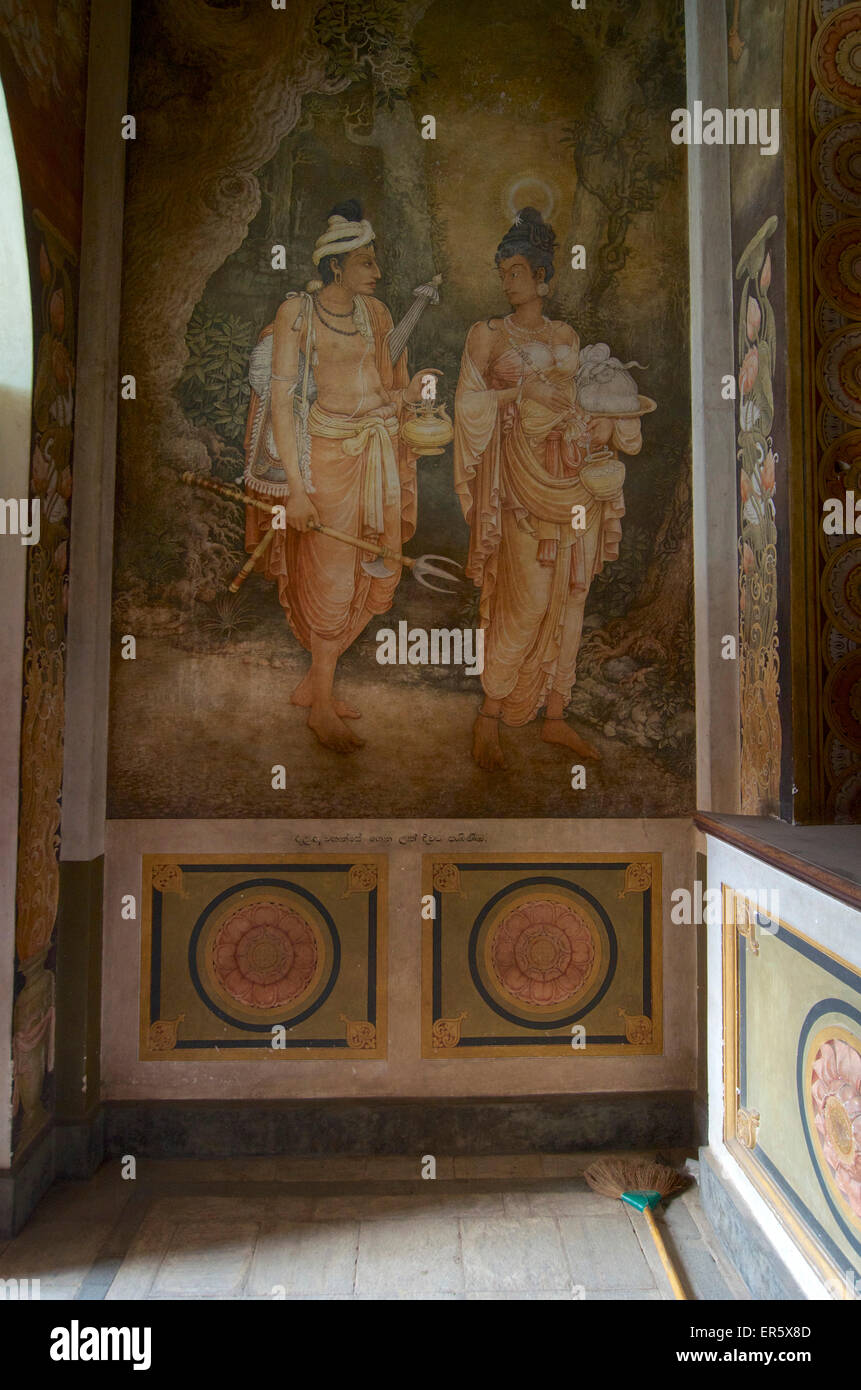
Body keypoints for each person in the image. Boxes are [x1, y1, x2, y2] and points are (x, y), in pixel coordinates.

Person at [243, 200, 441, 752]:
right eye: (366, 263)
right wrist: (298, 491)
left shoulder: (375, 315)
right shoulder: (297, 315)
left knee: (367, 571)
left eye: (375, 263)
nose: (377, 273)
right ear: (337, 266)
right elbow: (283, 405)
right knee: (330, 577)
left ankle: (316, 683)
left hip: (375, 456)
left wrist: (412, 389)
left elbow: (381, 388)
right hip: (324, 461)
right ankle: (322, 707)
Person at [453, 207, 643, 771]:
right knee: (527, 601)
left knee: (572, 596)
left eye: (517, 270)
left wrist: (598, 420)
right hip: (519, 486)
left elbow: (587, 397)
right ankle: (490, 716)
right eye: (503, 270)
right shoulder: (486, 335)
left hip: (577, 483)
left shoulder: (566, 336)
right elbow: (467, 407)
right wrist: (524, 396)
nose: (507, 280)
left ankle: (555, 713)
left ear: (542, 278)